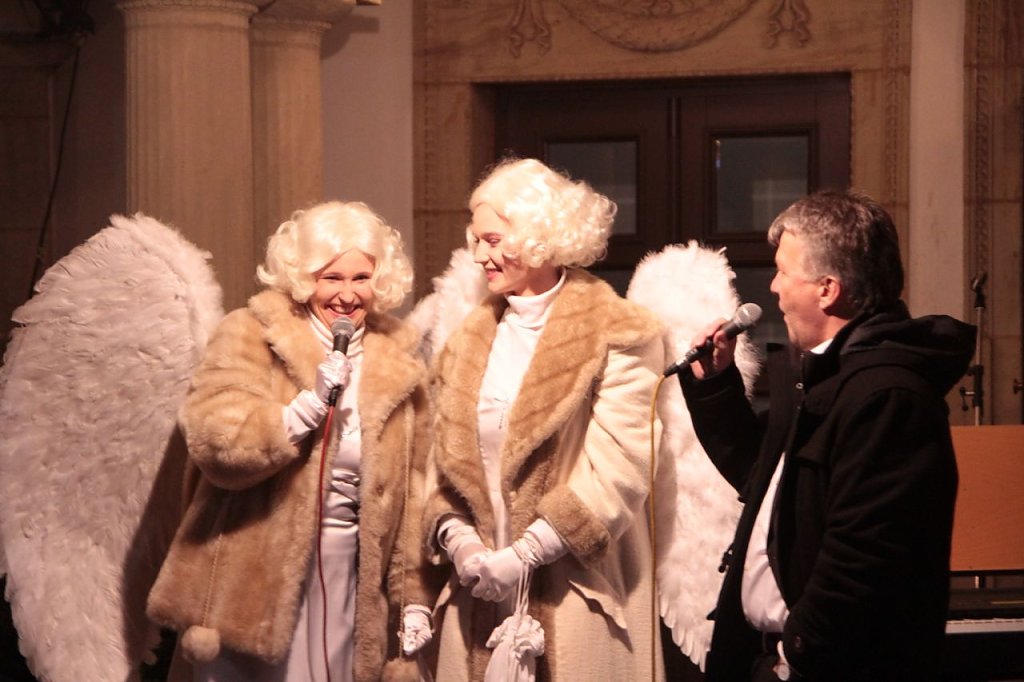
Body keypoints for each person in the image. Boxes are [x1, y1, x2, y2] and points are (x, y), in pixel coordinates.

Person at [678, 189, 975, 681]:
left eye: (783, 272)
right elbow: (764, 482)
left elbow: (865, 561)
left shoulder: (888, 397)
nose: (773, 287)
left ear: (827, 290)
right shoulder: (823, 378)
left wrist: (794, 656)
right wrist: (715, 386)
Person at [146, 201, 437, 681]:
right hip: (251, 581)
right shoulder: (251, 333)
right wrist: (304, 410)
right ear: (302, 277)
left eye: (361, 278)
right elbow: (214, 440)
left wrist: (413, 599)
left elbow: (413, 490)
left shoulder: (399, 359)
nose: (347, 294)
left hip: (348, 579)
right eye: (331, 277)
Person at [424, 158, 666, 681]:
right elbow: (441, 465)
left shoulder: (620, 332)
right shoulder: (467, 340)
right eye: (476, 240)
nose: (479, 255)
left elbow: (623, 466)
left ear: (537, 237)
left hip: (576, 588)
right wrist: (459, 539)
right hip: (478, 589)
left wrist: (528, 552)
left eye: (492, 240)